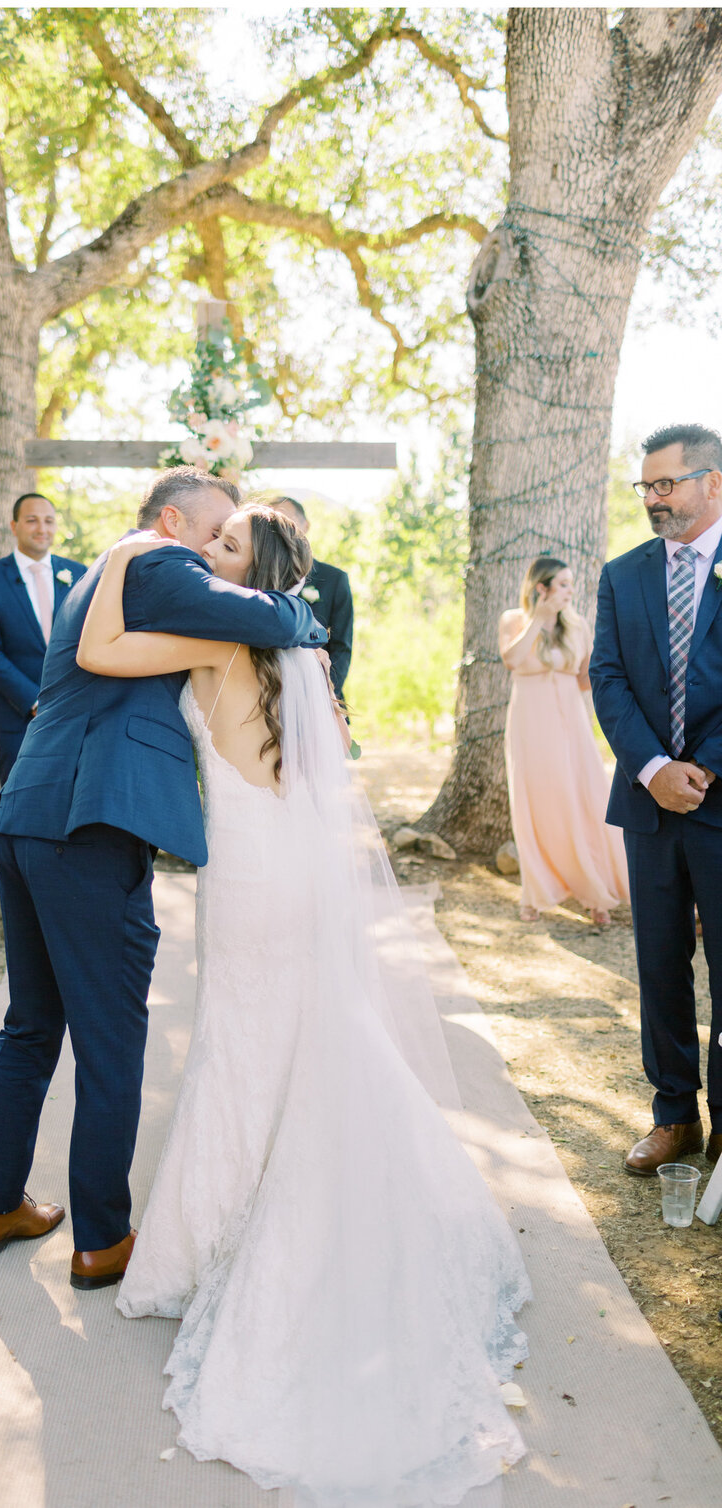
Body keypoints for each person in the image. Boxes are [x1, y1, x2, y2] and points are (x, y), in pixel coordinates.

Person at [77, 504, 531, 1508]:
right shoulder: (303, 648)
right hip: (300, 870)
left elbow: (101, 647)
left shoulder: (217, 633)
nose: (207, 555)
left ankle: (214, 1243)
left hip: (245, 877)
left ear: (253, 571)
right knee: (307, 1037)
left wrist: (119, 557)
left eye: (224, 547)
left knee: (240, 1045)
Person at [0, 469, 327, 1285]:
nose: (213, 553)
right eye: (214, 533)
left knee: (32, 1023)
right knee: (111, 1039)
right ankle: (101, 1237)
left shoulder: (109, 578)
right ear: (174, 520)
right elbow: (266, 614)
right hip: (90, 826)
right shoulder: (157, 559)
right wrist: (302, 609)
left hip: (29, 817)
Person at [591, 423, 722, 1177]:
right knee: (660, 964)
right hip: (649, 805)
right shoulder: (624, 574)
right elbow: (608, 677)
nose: (653, 499)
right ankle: (675, 1115)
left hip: (721, 800)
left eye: (666, 484)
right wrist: (650, 768)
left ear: (712, 483)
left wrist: (700, 769)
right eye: (645, 486)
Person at [499, 556, 628, 925]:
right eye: (564, 585)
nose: (571, 592)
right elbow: (512, 659)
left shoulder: (578, 625)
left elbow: (587, 677)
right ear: (543, 587)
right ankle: (536, 893)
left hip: (571, 721)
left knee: (584, 799)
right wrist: (539, 619)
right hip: (531, 723)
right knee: (535, 803)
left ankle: (596, 894)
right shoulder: (514, 620)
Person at [0, 493, 86, 782]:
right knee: (16, 806)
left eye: (49, 521)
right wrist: (33, 701)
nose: (42, 528)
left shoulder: (79, 573)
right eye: (32, 520)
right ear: (14, 525)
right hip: (16, 718)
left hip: (74, 715)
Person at [269, 494, 353, 700]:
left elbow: (341, 647)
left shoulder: (334, 579)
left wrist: (326, 691)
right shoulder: (259, 578)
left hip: (320, 694)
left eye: (286, 521)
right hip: (271, 694)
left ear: (305, 526)